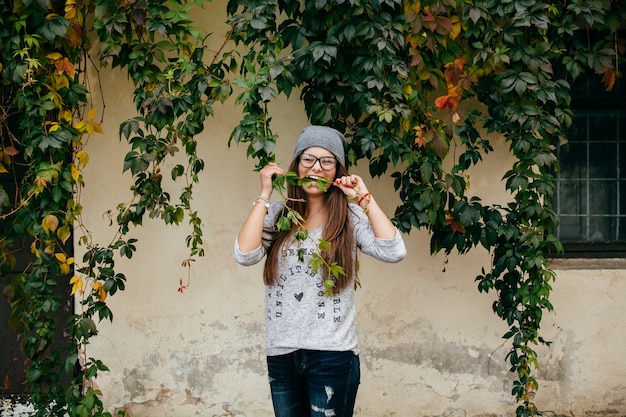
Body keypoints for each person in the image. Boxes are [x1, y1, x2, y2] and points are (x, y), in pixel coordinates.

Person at [234, 125, 406, 417]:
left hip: (333, 355)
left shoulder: (349, 218)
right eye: (308, 159)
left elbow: (393, 250)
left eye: (327, 161)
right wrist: (264, 195)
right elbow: (245, 255)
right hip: (282, 353)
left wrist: (364, 198)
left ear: (337, 170)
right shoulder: (278, 217)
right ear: (296, 166)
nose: (316, 167)